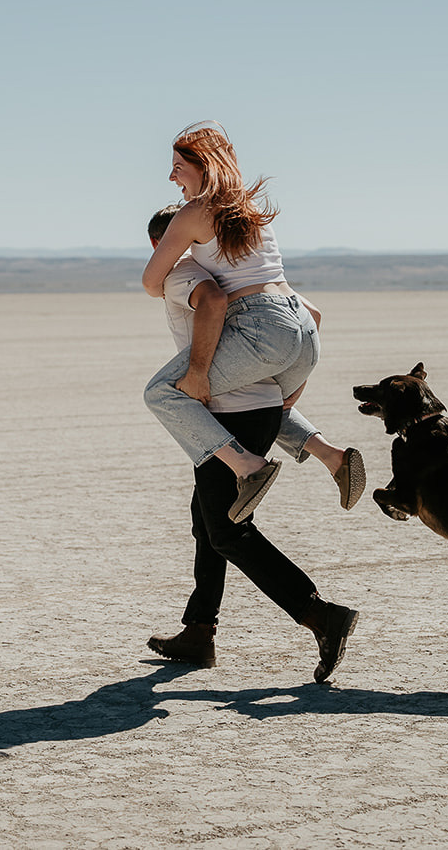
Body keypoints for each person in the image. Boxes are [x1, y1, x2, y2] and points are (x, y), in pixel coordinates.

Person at [143, 204, 361, 681]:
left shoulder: (182, 273)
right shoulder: (241, 274)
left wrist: (198, 372)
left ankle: (320, 615)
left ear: (164, 244)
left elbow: (210, 306)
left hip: (226, 415)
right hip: (262, 407)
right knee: (207, 522)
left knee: (227, 531)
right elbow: (312, 315)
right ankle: (199, 631)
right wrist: (288, 391)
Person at [142, 120, 331, 523]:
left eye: (178, 165)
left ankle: (248, 467)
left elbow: (150, 281)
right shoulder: (251, 210)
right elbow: (313, 312)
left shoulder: (194, 213)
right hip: (304, 329)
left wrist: (196, 369)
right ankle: (330, 455)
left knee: (162, 392)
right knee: (264, 405)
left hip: (263, 328)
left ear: (203, 165)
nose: (171, 175)